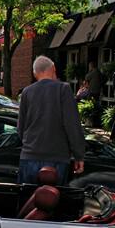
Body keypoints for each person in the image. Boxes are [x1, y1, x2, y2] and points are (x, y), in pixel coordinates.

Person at [17, 56, 86, 186]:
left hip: (29, 156)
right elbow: (72, 126)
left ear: (34, 73)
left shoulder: (26, 92)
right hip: (57, 158)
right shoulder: (63, 89)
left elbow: (20, 128)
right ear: (53, 68)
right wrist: (79, 155)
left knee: (28, 202)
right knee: (53, 201)